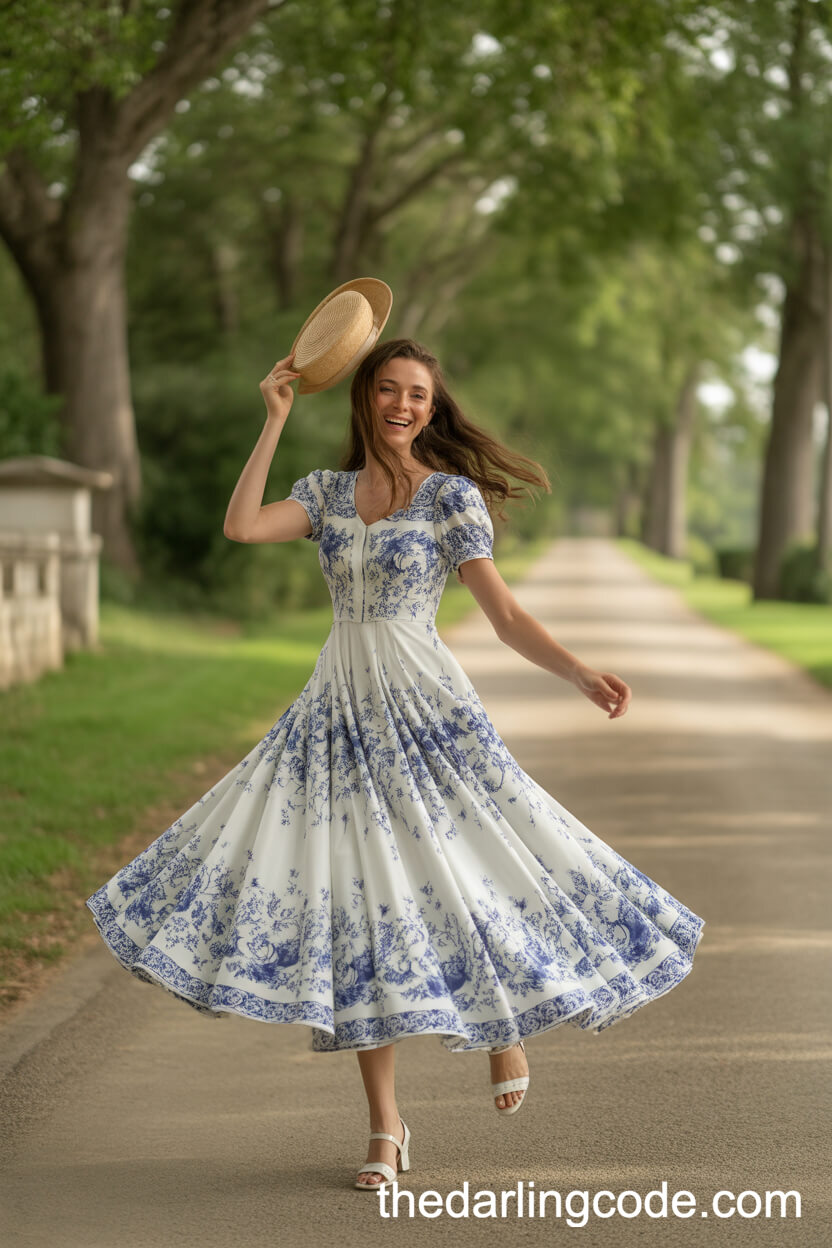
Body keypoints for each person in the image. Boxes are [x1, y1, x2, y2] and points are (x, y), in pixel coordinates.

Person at [86, 337, 705, 1193]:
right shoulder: (325, 494)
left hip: (427, 708)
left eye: (417, 393)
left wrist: (578, 672)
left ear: (432, 407)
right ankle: (386, 1127)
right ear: (366, 398)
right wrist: (274, 419)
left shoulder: (451, 497)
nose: (403, 405)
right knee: (360, 912)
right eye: (388, 389)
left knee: (466, 865)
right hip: (338, 714)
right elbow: (241, 526)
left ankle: (501, 1025)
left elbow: (504, 616)